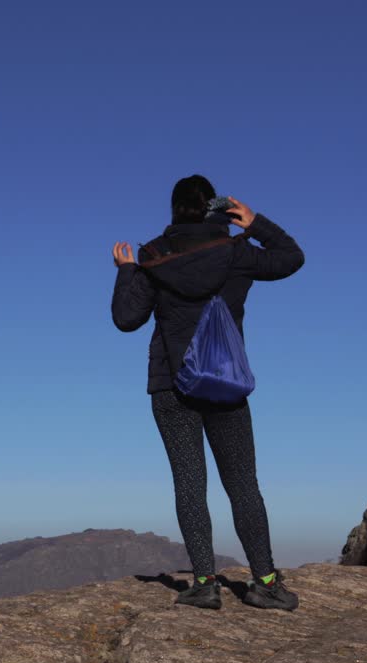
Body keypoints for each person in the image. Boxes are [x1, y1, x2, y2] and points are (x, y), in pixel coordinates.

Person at [110, 174, 304, 611]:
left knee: (189, 484)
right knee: (242, 484)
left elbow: (126, 318)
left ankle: (204, 583)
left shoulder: (153, 257)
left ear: (175, 210)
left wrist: (126, 273)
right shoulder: (236, 253)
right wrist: (254, 224)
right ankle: (267, 583)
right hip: (225, 384)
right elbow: (291, 259)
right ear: (216, 209)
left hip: (171, 385)